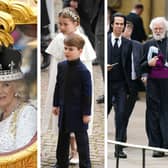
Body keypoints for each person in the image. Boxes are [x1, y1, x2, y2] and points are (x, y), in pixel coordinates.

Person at [43, 7, 96, 164]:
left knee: (79, 131)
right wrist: (56, 101)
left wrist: (85, 109)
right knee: (63, 130)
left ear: (75, 23)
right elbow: (56, 72)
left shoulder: (81, 41)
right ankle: (63, 158)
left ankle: (77, 153)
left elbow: (86, 78)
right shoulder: (59, 39)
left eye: (65, 24)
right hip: (62, 89)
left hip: (77, 95)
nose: (62, 27)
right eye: (60, 24)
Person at [52, 33, 92, 168]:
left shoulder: (83, 71)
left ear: (80, 51)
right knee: (62, 138)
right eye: (65, 48)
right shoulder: (61, 66)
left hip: (78, 111)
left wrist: (86, 113)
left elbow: (87, 94)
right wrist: (56, 103)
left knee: (82, 140)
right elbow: (58, 85)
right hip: (64, 109)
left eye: (71, 49)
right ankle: (61, 162)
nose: (67, 52)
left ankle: (85, 164)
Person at [0, 46, 37, 153]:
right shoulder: (2, 111)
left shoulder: (26, 114)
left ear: (17, 86)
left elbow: (23, 158)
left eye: (6, 85)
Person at [140, 17, 168, 157]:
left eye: (160, 28)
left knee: (166, 113)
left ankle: (166, 144)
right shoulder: (147, 44)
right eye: (155, 29)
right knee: (153, 114)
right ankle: (156, 146)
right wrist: (147, 68)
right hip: (153, 85)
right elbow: (141, 65)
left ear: (165, 30)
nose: (158, 31)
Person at [107, 13, 132, 158]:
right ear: (112, 25)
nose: (119, 26)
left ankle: (119, 149)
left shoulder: (128, 43)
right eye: (116, 23)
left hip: (121, 85)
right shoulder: (105, 40)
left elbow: (129, 66)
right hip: (108, 84)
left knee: (121, 116)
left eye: (121, 24)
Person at [122, 21, 143, 136]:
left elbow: (142, 63)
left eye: (125, 28)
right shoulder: (116, 44)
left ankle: (121, 137)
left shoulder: (138, 46)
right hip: (120, 85)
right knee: (120, 113)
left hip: (133, 84)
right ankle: (120, 142)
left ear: (130, 31)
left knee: (126, 114)